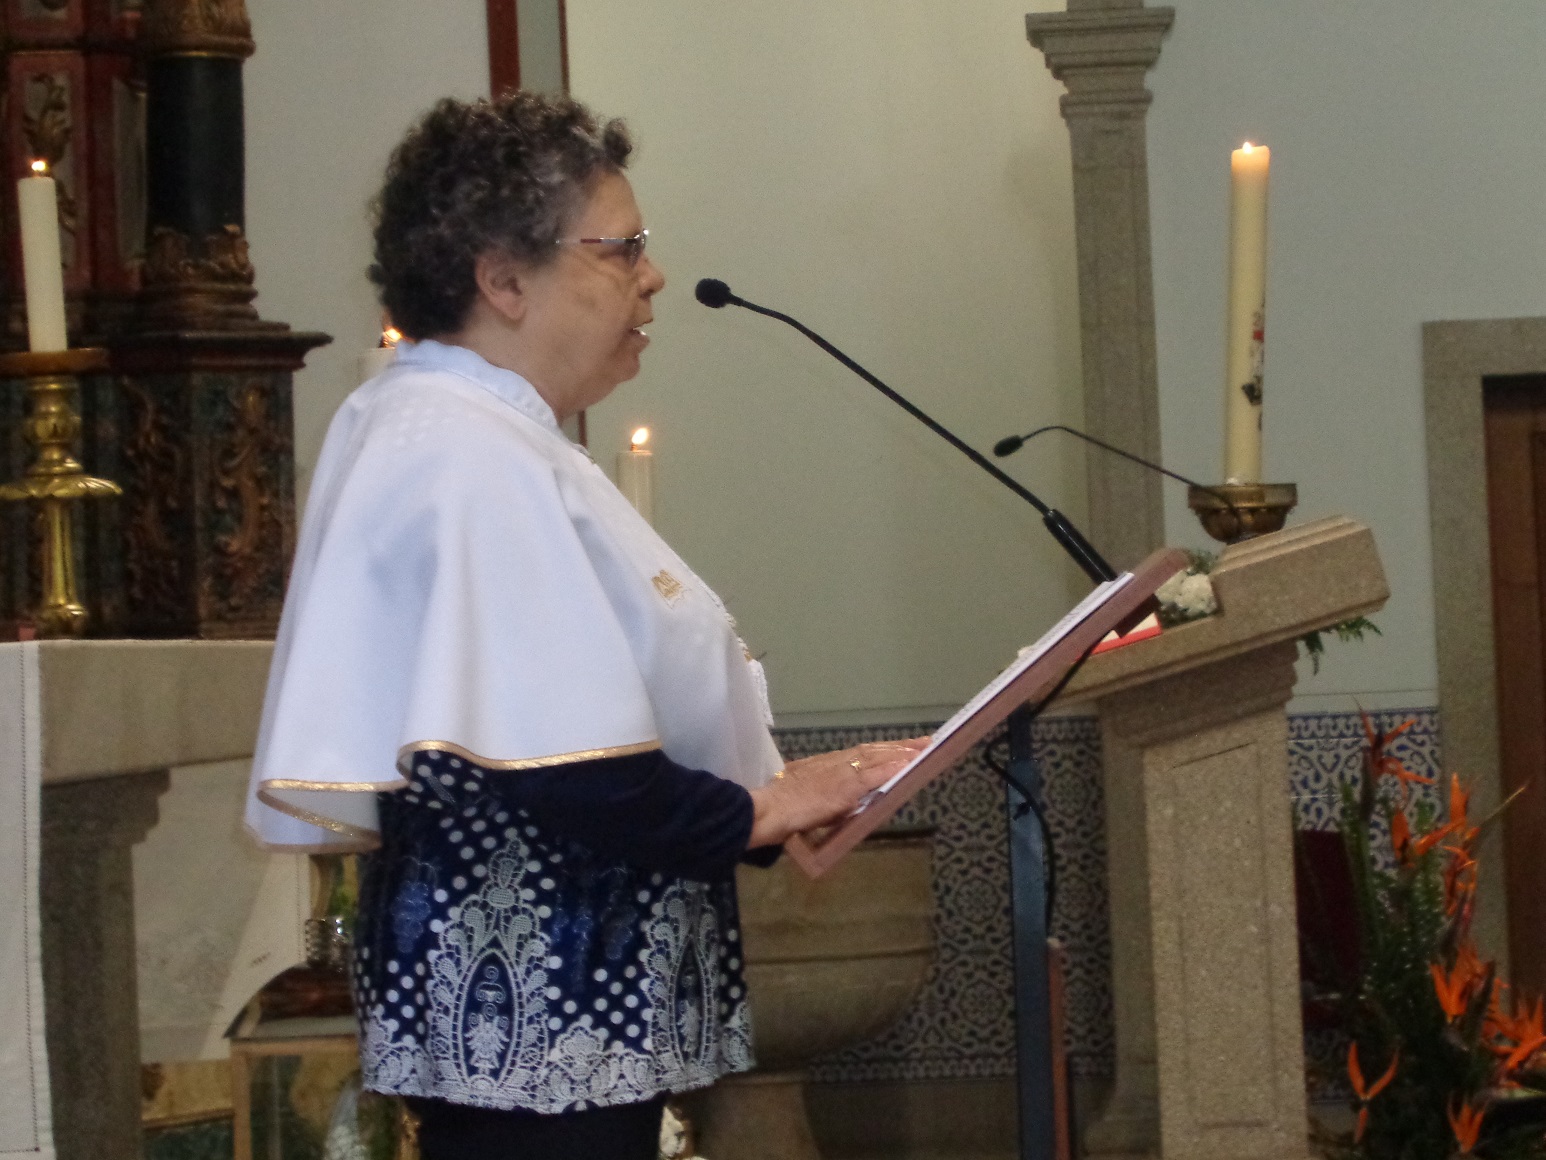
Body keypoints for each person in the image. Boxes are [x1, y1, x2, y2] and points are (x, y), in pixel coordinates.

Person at [243, 91, 927, 1160]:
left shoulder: (486, 431)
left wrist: (766, 804)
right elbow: (562, 765)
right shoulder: (460, 445)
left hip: (559, 1007)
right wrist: (764, 805)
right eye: (622, 249)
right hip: (536, 1011)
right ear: (503, 280)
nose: (653, 276)